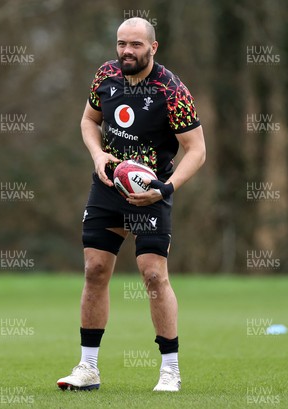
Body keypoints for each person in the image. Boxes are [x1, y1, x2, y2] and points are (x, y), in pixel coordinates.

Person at [57, 17, 205, 392]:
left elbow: (197, 150)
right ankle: (88, 368)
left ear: (153, 48)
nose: (127, 51)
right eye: (122, 43)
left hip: (151, 192)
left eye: (136, 45)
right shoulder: (105, 77)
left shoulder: (171, 91)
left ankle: (169, 370)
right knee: (94, 270)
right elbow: (89, 121)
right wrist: (97, 154)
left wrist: (165, 189)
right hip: (108, 187)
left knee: (154, 276)